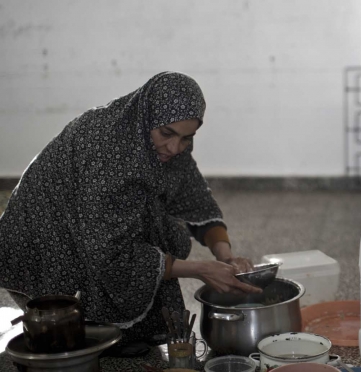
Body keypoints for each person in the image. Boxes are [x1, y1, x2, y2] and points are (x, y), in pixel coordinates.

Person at [0, 71, 262, 354]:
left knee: (159, 229)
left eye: (187, 138)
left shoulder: (166, 138)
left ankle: (122, 330)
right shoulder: (105, 148)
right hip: (49, 234)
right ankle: (99, 331)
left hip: (93, 228)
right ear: (147, 116)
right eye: (167, 134)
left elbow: (194, 196)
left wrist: (226, 257)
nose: (175, 147)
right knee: (74, 328)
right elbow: (109, 254)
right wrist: (200, 270)